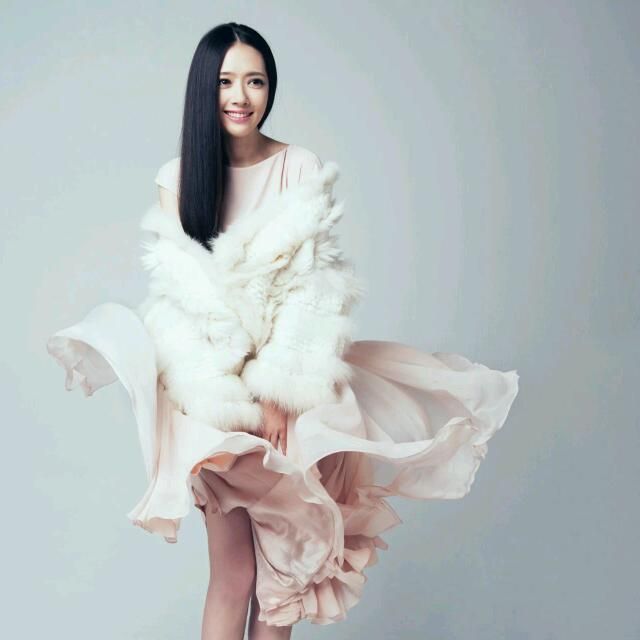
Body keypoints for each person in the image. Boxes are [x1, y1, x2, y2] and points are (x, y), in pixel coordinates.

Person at [46, 22, 520, 640]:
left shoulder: (299, 167)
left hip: (286, 399)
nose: (240, 96)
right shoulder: (178, 177)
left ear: (271, 88)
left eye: (255, 81)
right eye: (226, 82)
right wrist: (221, 400)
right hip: (209, 400)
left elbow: (313, 291)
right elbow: (181, 301)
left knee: (282, 580)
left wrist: (278, 393)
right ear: (204, 89)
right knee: (234, 573)